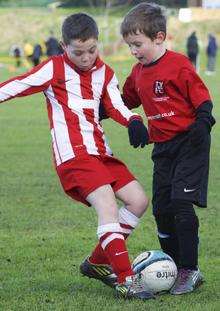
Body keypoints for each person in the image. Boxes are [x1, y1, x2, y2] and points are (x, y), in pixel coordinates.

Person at [0, 13, 154, 301]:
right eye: (78, 52)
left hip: (101, 154)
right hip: (74, 157)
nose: (86, 58)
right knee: (107, 203)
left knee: (138, 200)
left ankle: (97, 263)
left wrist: (133, 121)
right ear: (63, 46)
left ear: (98, 45)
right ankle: (127, 279)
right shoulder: (53, 69)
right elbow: (14, 86)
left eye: (92, 50)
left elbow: (117, 106)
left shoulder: (105, 72)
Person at [117, 2, 215, 295]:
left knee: (181, 203)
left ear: (158, 38)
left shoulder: (179, 64)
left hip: (191, 142)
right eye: (130, 46)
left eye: (138, 44)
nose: (134, 51)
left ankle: (189, 269)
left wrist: (203, 122)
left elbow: (203, 100)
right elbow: (122, 101)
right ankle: (171, 265)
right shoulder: (137, 73)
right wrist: (96, 109)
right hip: (162, 148)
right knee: (161, 209)